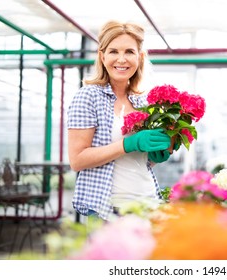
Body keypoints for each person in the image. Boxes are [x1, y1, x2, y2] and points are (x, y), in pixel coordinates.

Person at [67, 20, 172, 221]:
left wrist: (155, 156)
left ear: (140, 57)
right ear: (102, 56)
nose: (121, 59)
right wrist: (128, 143)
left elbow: (139, 162)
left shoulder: (143, 101)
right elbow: (77, 160)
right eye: (114, 51)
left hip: (148, 202)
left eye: (129, 52)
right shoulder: (88, 97)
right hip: (110, 210)